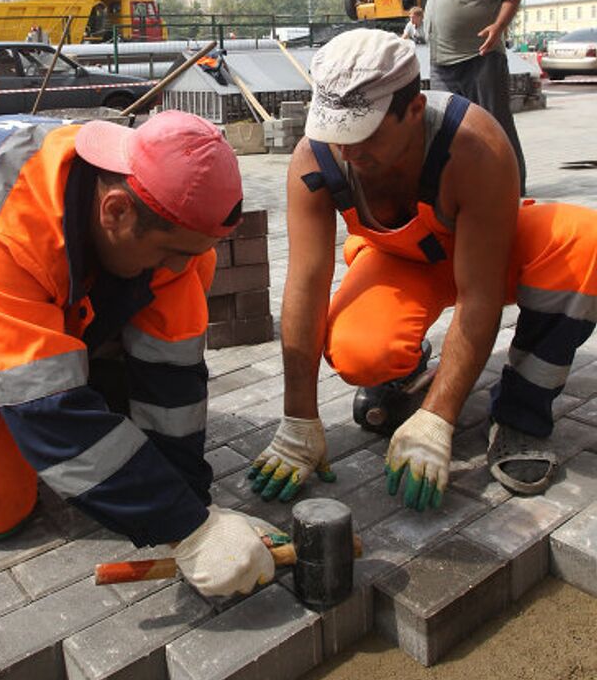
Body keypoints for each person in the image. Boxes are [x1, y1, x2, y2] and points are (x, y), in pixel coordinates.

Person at [0, 110, 280, 598]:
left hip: (10, 276)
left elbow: (173, 377)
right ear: (115, 212)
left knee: (122, 403)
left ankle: (18, 379)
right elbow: (47, 409)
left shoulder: (164, 222)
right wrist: (188, 530)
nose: (182, 266)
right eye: (172, 252)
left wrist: (194, 502)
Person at [248, 29, 597, 511]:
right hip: (402, 261)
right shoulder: (315, 158)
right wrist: (298, 420)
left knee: (585, 245)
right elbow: (305, 284)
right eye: (335, 134)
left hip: (490, 250)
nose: (346, 153)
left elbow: (480, 294)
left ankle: (520, 413)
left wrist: (439, 418)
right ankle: (406, 369)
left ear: (413, 111)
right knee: (360, 352)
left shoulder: (475, 146)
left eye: (362, 134)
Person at [425, 0, 526, 192]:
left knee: (495, 127)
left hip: (479, 57)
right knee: (446, 129)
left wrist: (499, 27)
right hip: (442, 61)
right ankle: (464, 189)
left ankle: (512, 189)